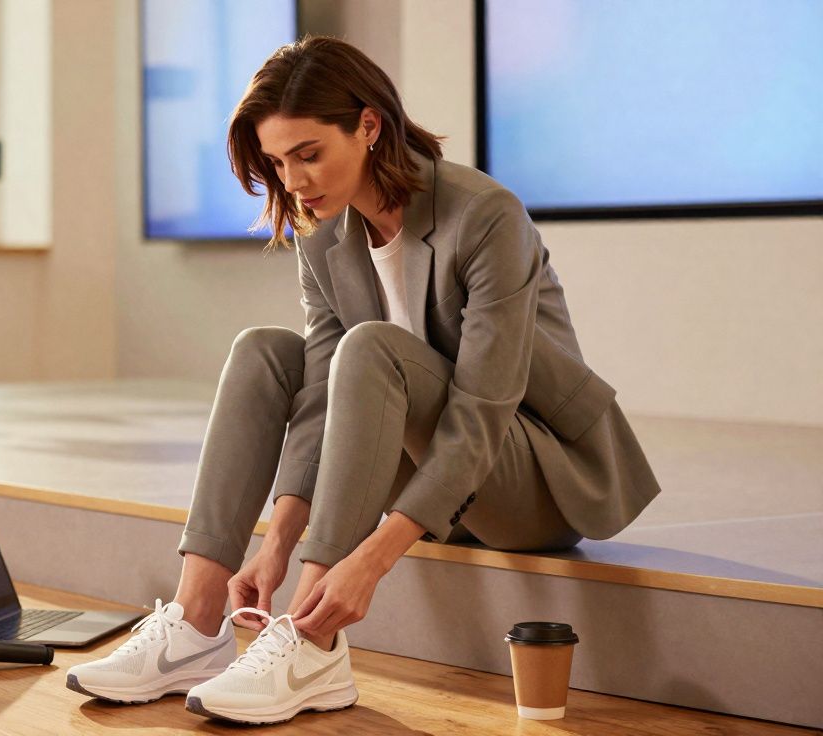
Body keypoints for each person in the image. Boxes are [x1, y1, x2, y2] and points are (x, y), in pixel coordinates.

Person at [67, 35, 661, 726]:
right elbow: (320, 391)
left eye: (309, 154)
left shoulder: (485, 216)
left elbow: (481, 416)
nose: (292, 182)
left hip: (529, 479)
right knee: (265, 350)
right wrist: (278, 541)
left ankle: (313, 640)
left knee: (372, 348)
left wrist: (368, 561)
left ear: (369, 126)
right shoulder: (322, 234)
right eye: (278, 162)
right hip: (426, 475)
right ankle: (197, 623)